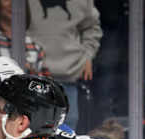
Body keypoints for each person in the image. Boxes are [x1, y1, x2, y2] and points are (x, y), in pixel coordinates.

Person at [27, 0, 103, 130]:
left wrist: (88, 55)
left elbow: (92, 27)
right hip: (28, 75)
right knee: (25, 130)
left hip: (68, 74)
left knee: (66, 134)